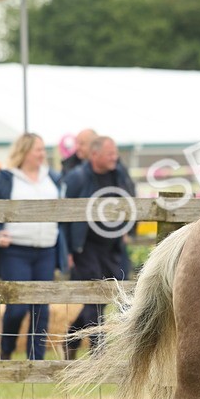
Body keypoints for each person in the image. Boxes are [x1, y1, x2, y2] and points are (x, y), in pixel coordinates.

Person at [0, 133, 67, 360]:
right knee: (16, 307)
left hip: (46, 250)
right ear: (24, 151)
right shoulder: (5, 179)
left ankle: (35, 361)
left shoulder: (53, 178)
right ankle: (6, 351)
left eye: (43, 149)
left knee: (41, 308)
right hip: (15, 251)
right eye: (38, 149)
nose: (42, 154)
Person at [63, 135, 135, 358]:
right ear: (95, 156)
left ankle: (71, 337)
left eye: (115, 153)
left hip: (112, 245)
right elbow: (63, 213)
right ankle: (98, 352)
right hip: (85, 246)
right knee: (94, 296)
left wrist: (127, 230)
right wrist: (67, 251)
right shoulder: (78, 177)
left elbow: (131, 200)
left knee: (108, 297)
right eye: (110, 154)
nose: (115, 157)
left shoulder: (119, 173)